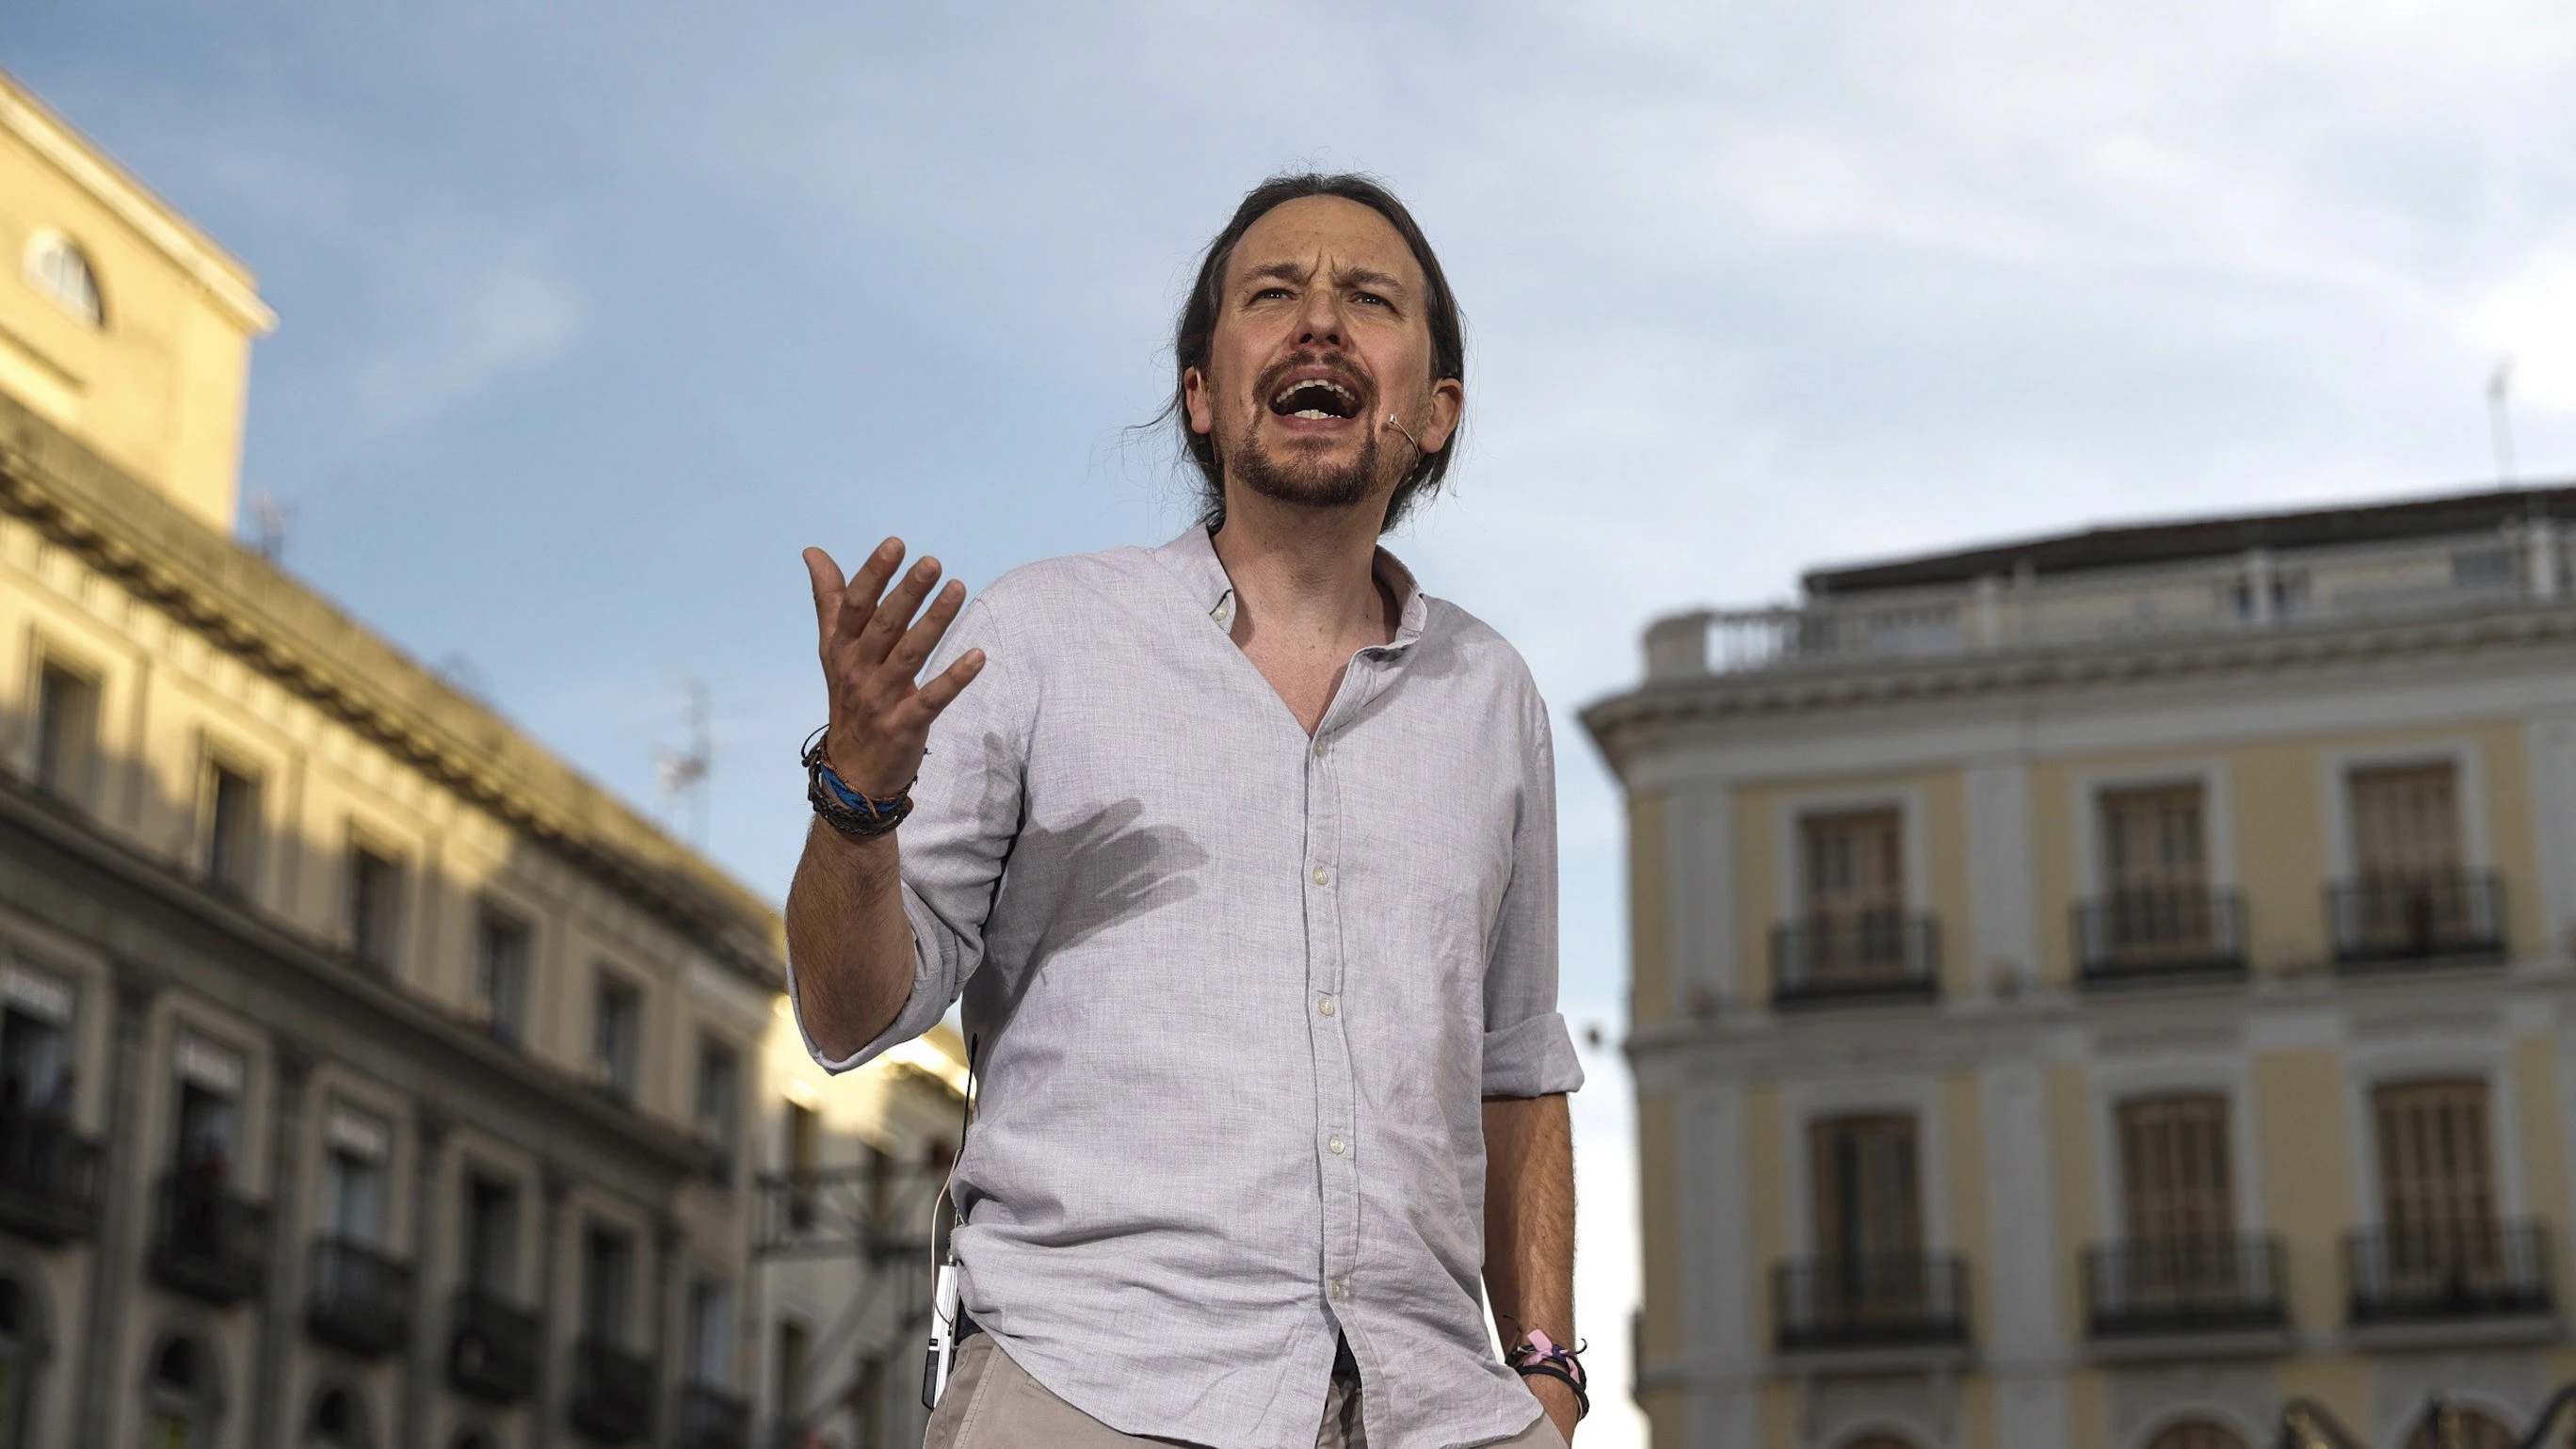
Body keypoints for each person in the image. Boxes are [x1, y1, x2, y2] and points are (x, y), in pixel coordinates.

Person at [787, 171, 1585, 1449]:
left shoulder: (1493, 694)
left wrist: (1546, 1373)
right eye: (1274, 294)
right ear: (1204, 394)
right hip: (1090, 1386)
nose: (1319, 321)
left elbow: (1519, 1065)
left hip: (1433, 1410)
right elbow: (845, 1013)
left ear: (1436, 413)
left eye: (1368, 299)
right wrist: (857, 802)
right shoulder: (1039, 636)